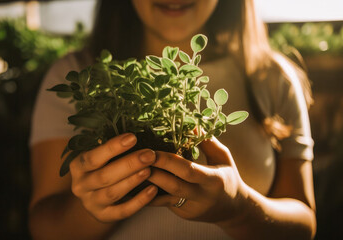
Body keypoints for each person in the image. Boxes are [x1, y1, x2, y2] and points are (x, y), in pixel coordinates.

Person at [28, 0, 316, 239]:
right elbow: (44, 227)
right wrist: (97, 205)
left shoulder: (274, 78)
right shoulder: (79, 76)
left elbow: (305, 225)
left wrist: (239, 209)